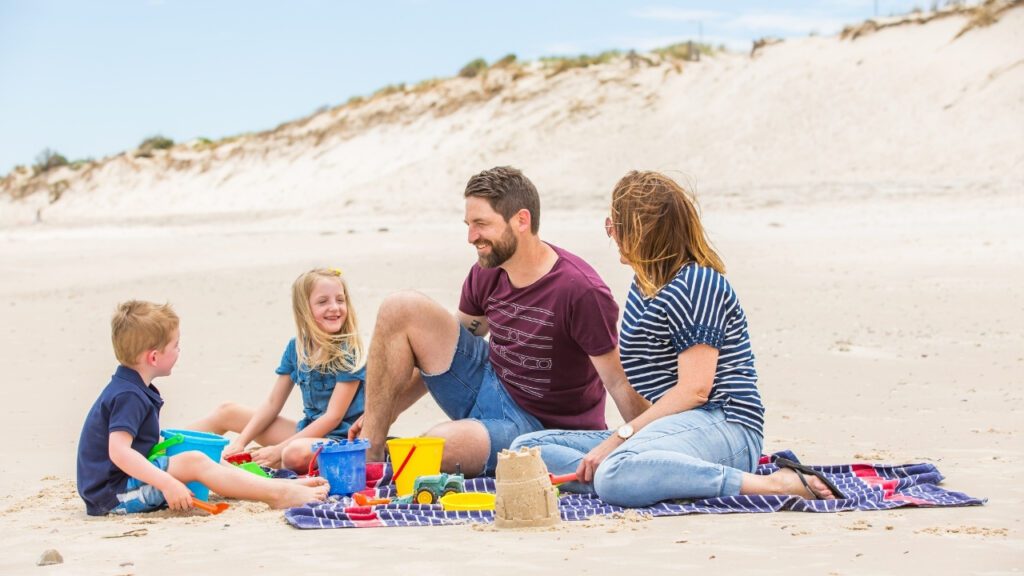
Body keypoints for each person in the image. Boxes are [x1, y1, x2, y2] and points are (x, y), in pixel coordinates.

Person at [511, 171, 842, 507]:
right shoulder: (646, 285)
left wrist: (620, 439)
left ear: (642, 233)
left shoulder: (697, 283)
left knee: (612, 473)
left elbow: (695, 390)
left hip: (725, 424)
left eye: (616, 225)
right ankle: (647, 477)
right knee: (524, 453)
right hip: (676, 428)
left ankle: (774, 485)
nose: (610, 232)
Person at [350, 166, 647, 476]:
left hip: (536, 427)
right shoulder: (488, 269)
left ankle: (404, 456)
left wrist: (646, 441)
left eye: (481, 224)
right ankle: (370, 453)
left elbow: (617, 381)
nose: (471, 237)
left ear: (521, 220)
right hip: (486, 382)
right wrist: (384, 414)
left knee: (440, 445)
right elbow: (444, 350)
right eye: (468, 224)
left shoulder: (581, 290)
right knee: (400, 307)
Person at [76, 301, 329, 516]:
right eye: (175, 345)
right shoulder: (128, 396)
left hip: (123, 482)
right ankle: (277, 495)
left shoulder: (133, 387)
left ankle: (267, 484)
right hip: (112, 496)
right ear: (153, 357)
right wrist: (167, 483)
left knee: (198, 452)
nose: (179, 350)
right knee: (195, 461)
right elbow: (119, 453)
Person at [190, 268, 367, 472]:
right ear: (304, 309)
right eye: (323, 301)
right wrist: (240, 442)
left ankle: (275, 460)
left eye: (340, 300)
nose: (334, 307)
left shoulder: (349, 351)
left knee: (292, 454)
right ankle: (164, 452)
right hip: (307, 431)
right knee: (227, 411)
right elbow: (273, 403)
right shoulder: (297, 347)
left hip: (343, 442)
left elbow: (333, 417)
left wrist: (278, 450)